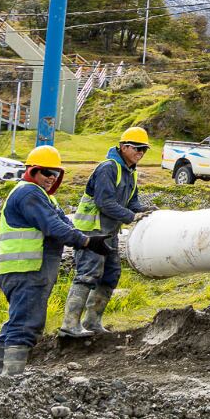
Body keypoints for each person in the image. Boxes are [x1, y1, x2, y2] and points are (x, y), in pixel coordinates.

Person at [0, 145, 108, 378]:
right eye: (47, 173)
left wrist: (85, 238)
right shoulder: (29, 194)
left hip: (24, 270)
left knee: (16, 321)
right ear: (33, 171)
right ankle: (10, 379)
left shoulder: (43, 197)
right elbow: (53, 227)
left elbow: (64, 225)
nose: (51, 178)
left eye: (55, 174)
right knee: (26, 324)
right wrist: (86, 242)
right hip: (27, 269)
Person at [59, 126, 152, 337]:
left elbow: (133, 201)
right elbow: (104, 202)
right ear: (124, 146)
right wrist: (131, 216)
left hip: (109, 233)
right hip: (91, 233)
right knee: (88, 274)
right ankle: (69, 324)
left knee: (110, 275)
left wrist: (145, 211)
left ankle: (92, 322)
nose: (141, 153)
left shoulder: (130, 171)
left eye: (144, 150)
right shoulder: (108, 168)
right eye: (137, 148)